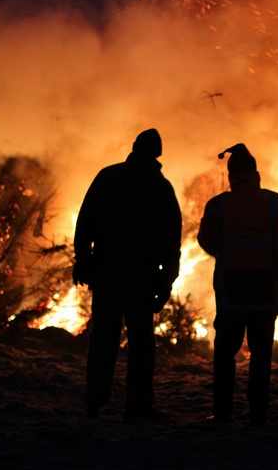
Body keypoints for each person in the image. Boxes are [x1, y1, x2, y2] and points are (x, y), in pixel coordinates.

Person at [73, 128, 181, 421]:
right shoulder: (160, 187)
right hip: (140, 276)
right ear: (157, 154)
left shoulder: (109, 177)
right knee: (141, 344)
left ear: (134, 147)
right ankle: (138, 406)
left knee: (104, 340)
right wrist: (167, 281)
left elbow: (85, 223)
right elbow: (172, 241)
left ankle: (96, 402)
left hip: (109, 272)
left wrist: (82, 261)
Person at [198, 143, 278, 425]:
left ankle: (223, 413)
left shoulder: (219, 205)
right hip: (264, 289)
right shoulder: (272, 202)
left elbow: (206, 241)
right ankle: (258, 413)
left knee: (225, 352)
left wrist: (228, 250)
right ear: (256, 175)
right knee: (260, 353)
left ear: (231, 177)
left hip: (232, 289)